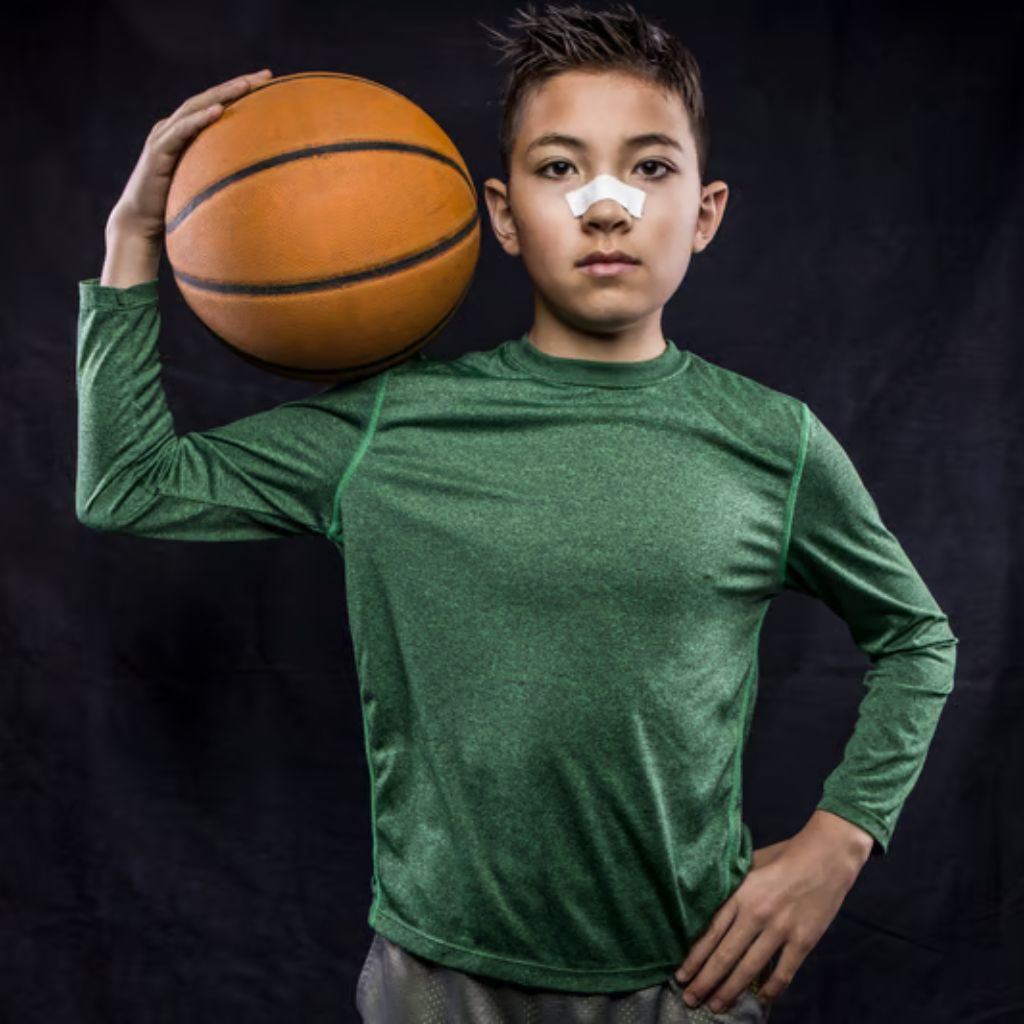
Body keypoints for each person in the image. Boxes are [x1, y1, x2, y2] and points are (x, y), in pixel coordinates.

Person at [75, 3, 959, 1021]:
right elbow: (127, 484)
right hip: (437, 985)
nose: (606, 204)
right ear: (500, 213)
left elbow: (916, 637)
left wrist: (837, 840)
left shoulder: (773, 442)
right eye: (558, 168)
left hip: (684, 981)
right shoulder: (391, 428)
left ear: (705, 212)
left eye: (651, 167)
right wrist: (134, 235)